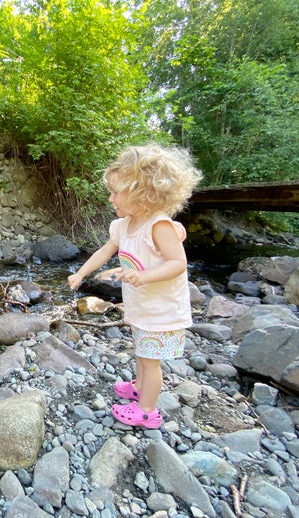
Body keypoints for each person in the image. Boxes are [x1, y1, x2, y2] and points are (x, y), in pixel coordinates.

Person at [68, 143, 202, 429]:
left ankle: (147, 410)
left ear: (145, 194)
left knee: (151, 360)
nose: (110, 198)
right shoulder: (123, 225)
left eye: (117, 192)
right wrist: (81, 273)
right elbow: (104, 252)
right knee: (142, 351)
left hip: (162, 310)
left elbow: (178, 263)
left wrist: (145, 276)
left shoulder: (159, 226)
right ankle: (140, 386)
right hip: (143, 306)